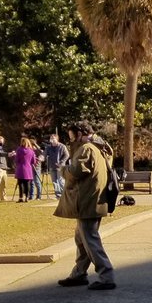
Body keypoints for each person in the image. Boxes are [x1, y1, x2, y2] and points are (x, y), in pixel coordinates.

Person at [55, 122, 117, 291]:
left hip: (87, 201)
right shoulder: (99, 147)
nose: (70, 139)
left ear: (80, 133)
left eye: (71, 135)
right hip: (94, 200)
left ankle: (106, 276)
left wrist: (63, 169)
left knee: (90, 240)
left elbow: (75, 172)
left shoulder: (86, 149)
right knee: (81, 239)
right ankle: (79, 273)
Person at [12, 136, 37, 203]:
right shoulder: (31, 151)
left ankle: (21, 197)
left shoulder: (19, 150)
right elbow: (33, 161)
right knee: (27, 184)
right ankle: (27, 197)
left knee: (20, 184)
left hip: (20, 168)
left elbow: (17, 160)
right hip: (28, 168)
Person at [45, 133, 69, 199]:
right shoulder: (48, 147)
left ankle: (64, 194)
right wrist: (41, 157)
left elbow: (67, 155)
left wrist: (61, 162)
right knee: (54, 181)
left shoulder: (62, 146)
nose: (52, 139)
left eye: (53, 138)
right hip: (52, 166)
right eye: (51, 138)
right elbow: (44, 154)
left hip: (60, 166)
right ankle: (58, 195)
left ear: (57, 139)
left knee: (61, 181)